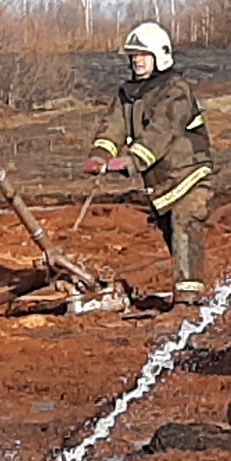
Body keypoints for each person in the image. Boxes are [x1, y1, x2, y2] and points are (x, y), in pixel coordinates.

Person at [91, 20, 213, 303]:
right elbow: (114, 125)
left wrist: (132, 159)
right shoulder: (128, 94)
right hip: (161, 180)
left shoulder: (176, 90)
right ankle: (191, 288)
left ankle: (188, 300)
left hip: (189, 173)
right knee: (172, 232)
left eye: (143, 55)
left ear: (160, 56)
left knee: (185, 224)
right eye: (133, 56)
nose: (137, 61)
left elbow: (162, 130)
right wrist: (100, 154)